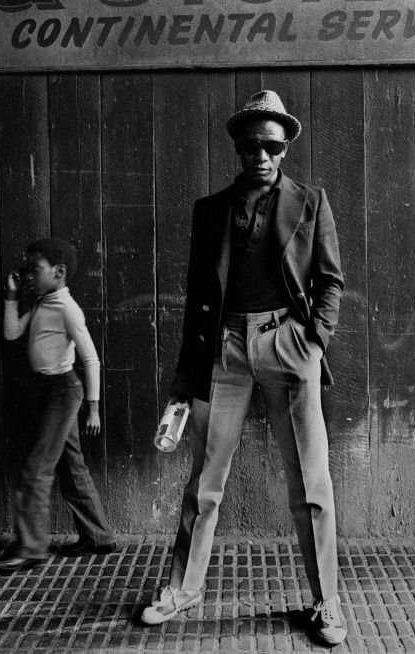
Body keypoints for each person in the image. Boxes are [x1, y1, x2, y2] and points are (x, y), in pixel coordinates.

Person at [139, 90, 347, 646]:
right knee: (205, 479)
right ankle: (183, 588)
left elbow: (331, 281)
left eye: (272, 143)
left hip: (288, 344)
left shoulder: (311, 201)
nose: (261, 153)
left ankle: (326, 601)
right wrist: (186, 378)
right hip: (224, 347)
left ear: (285, 148)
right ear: (238, 147)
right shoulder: (210, 211)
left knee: (311, 483)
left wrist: (313, 342)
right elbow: (197, 296)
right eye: (251, 142)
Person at [0, 237, 116, 572]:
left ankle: (31, 548)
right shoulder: (43, 303)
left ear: (59, 272)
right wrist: (12, 295)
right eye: (28, 269)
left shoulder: (66, 309)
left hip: (63, 392)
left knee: (36, 470)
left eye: (36, 269)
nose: (29, 275)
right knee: (71, 465)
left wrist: (93, 407)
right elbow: (11, 333)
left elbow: (91, 359)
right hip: (47, 392)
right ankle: (98, 536)